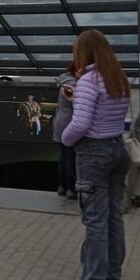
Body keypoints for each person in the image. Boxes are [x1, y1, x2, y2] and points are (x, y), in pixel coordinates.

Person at [61, 29, 131, 280]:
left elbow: (80, 124)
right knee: (114, 217)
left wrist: (66, 140)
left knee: (95, 220)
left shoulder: (89, 81)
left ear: (83, 52)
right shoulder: (117, 78)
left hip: (93, 154)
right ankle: (112, 276)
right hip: (117, 148)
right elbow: (112, 112)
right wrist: (77, 97)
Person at [52, 62, 78, 199]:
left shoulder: (63, 80)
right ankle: (70, 188)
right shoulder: (73, 84)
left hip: (59, 119)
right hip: (70, 120)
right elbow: (77, 103)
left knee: (63, 154)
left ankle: (61, 186)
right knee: (71, 155)